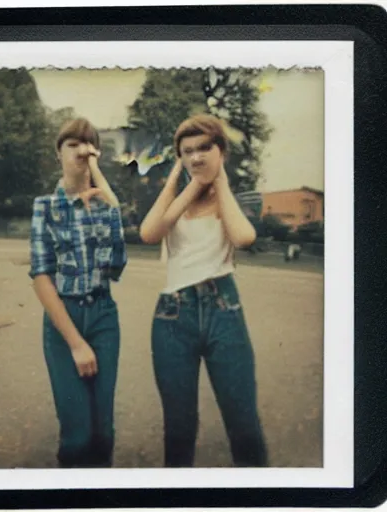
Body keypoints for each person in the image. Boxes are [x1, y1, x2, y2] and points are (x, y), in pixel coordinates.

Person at [139, 114, 268, 468]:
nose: (196, 157)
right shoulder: (178, 200)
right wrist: (181, 182)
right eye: (187, 151)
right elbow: (150, 233)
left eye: (205, 148)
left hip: (223, 310)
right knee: (178, 428)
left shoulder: (228, 201)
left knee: (243, 424)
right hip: (172, 316)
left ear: (221, 151)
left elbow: (243, 237)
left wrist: (219, 180)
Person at [29, 118, 127, 468]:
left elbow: (117, 269)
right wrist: (75, 343)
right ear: (59, 153)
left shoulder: (105, 206)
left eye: (88, 145)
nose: (81, 151)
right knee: (77, 434)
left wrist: (108, 209)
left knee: (104, 433)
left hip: (103, 316)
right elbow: (41, 276)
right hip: (63, 321)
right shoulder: (45, 207)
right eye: (72, 144)